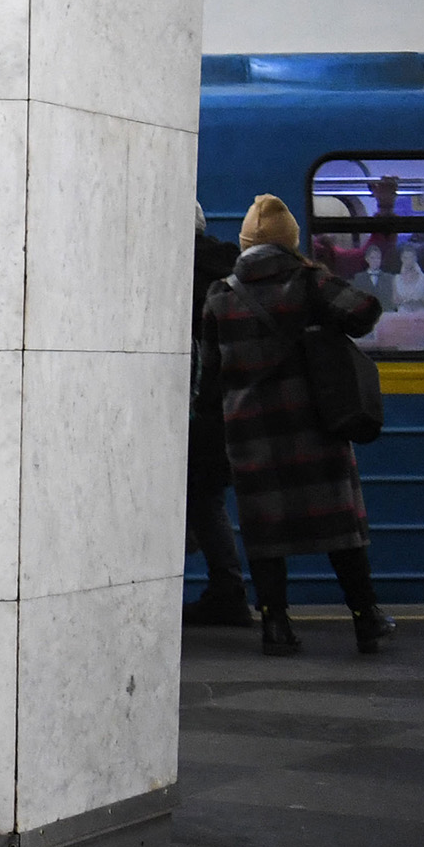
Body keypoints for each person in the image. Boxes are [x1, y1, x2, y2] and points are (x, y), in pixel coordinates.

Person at [202, 195, 394, 655]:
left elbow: (210, 378)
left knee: (266, 537)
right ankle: (366, 619)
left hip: (252, 436)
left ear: (246, 243)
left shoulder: (221, 294)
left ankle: (276, 626)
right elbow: (364, 312)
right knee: (340, 528)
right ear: (290, 241)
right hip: (314, 429)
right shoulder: (308, 281)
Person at [184, 208, 252, 626]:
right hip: (229, 402)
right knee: (205, 496)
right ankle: (228, 588)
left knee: (198, 496)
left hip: (190, 404)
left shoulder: (171, 268)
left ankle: (227, 589)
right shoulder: (229, 268)